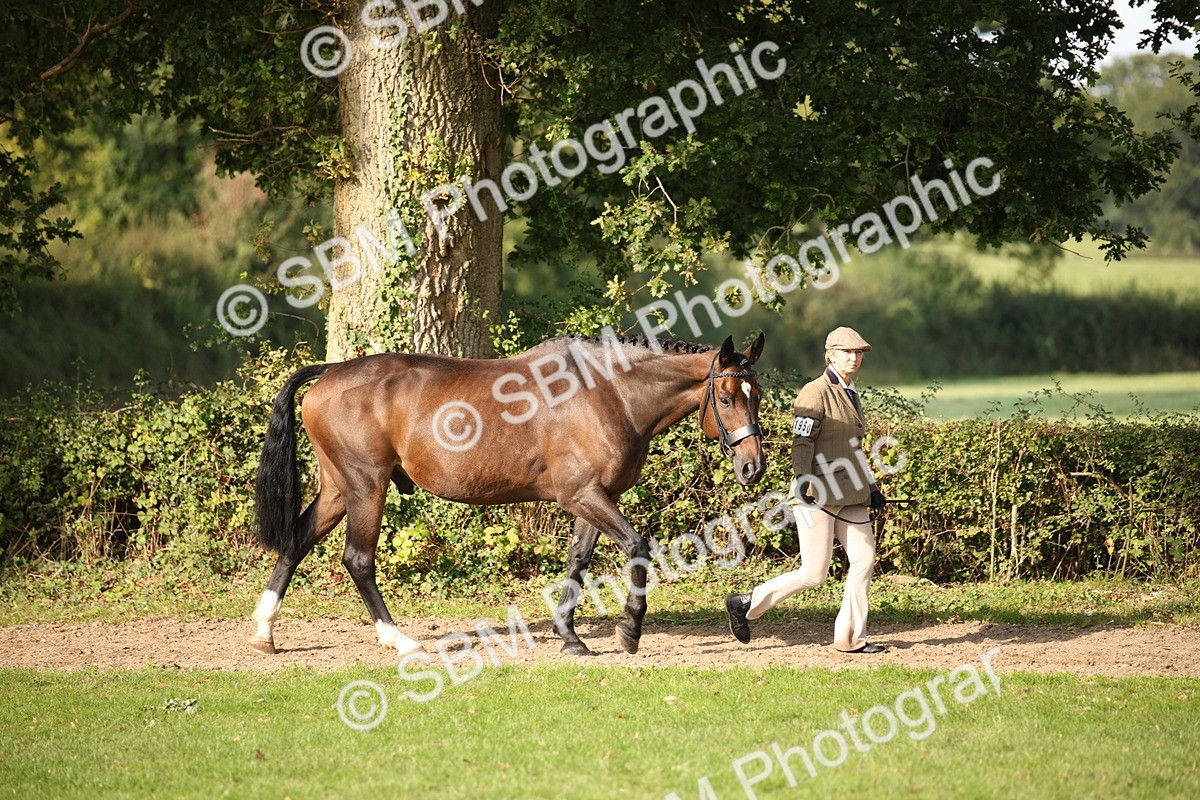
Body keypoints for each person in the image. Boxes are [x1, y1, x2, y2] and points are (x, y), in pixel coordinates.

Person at [725, 326, 887, 654]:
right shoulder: (814, 392)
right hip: (817, 495)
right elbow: (802, 443)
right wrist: (803, 481)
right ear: (830, 355)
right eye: (846, 352)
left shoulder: (851, 391)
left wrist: (871, 486)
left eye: (858, 353)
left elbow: (854, 448)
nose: (854, 358)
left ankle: (850, 638)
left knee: (864, 558)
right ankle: (745, 603)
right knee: (814, 573)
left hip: (851, 494)